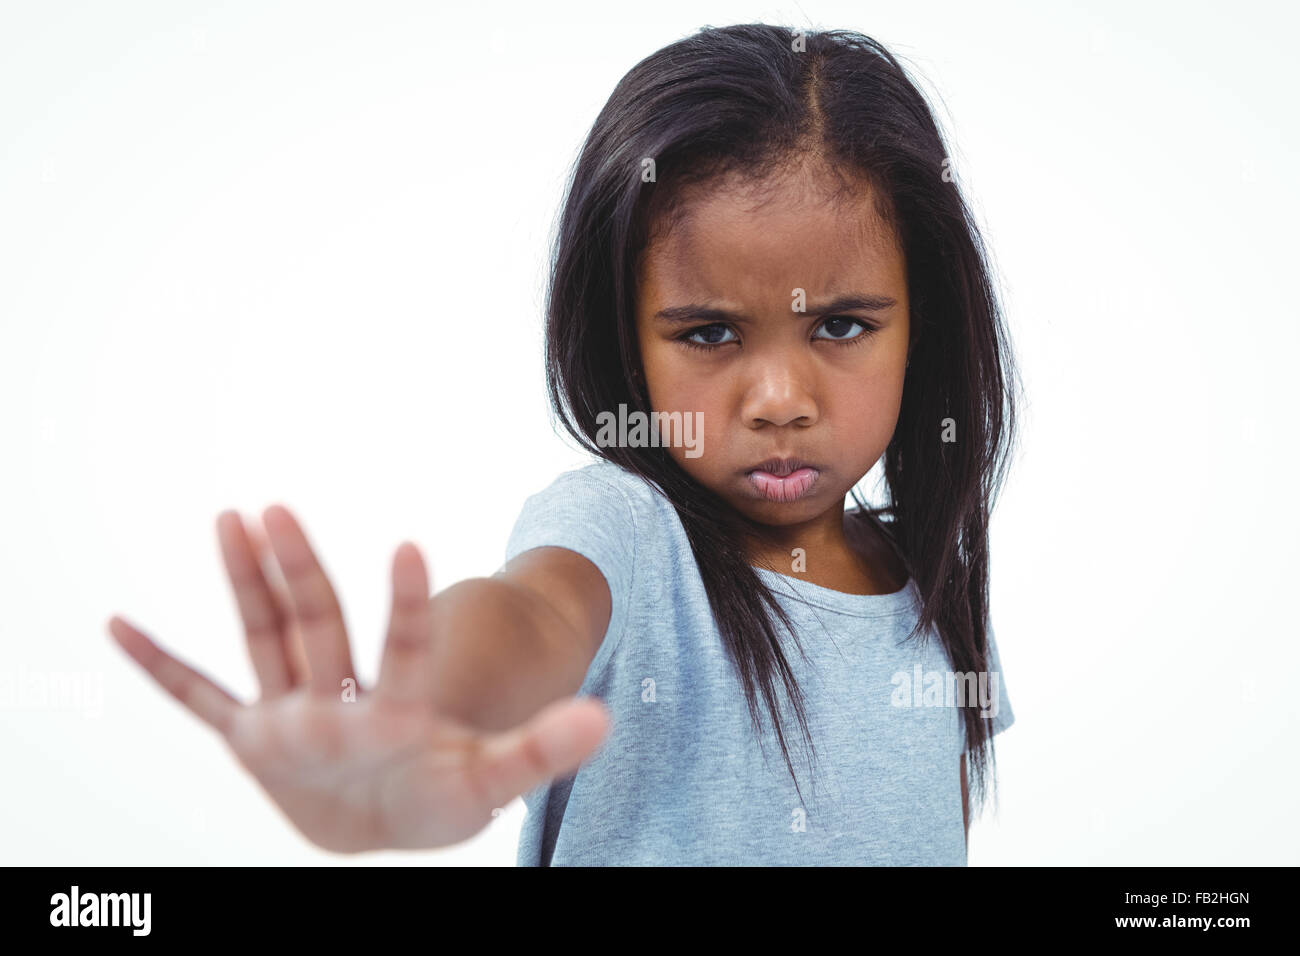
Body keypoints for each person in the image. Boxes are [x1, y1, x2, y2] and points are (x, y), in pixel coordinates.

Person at [108, 23, 1021, 865]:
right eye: (708, 333)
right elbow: (531, 617)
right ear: (624, 340)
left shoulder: (934, 577)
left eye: (843, 325)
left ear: (925, 324)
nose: (779, 401)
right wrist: (424, 717)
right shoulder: (626, 528)